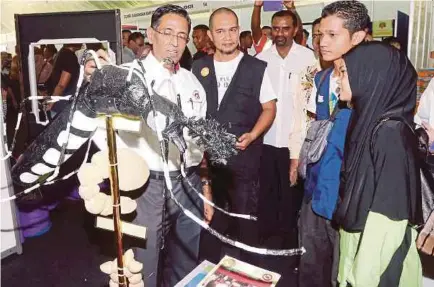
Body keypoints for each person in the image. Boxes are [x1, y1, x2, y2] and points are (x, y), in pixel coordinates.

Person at [85, 5, 212, 287]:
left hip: (186, 180)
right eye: (168, 33)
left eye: (182, 35)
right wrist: (121, 169)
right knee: (143, 261)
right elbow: (98, 129)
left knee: (187, 258)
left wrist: (204, 186)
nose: (175, 42)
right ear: (151, 35)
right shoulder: (125, 77)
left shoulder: (192, 83)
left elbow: (199, 143)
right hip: (146, 185)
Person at [192, 7, 277, 264]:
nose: (227, 37)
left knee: (245, 223)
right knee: (209, 223)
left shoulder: (256, 67)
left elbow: (269, 108)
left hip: (244, 162)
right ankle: (205, 272)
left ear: (239, 31)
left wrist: (253, 134)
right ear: (210, 35)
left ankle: (249, 275)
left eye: (232, 30)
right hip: (207, 165)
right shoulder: (198, 68)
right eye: (220, 31)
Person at [335, 41, 422, 287]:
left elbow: (388, 221)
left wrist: (359, 279)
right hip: (360, 249)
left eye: (344, 73)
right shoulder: (367, 122)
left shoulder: (390, 133)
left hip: (375, 267)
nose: (338, 80)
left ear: (370, 76)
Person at [300, 1, 369, 287]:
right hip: (316, 191)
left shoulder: (372, 83)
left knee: (343, 275)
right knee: (311, 267)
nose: (321, 42)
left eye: (331, 35)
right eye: (319, 35)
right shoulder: (323, 77)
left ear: (357, 37)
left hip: (349, 199)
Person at [254, 8, 315, 252]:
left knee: (291, 194)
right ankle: (265, 236)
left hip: (295, 141)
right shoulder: (261, 60)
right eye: (276, 28)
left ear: (295, 29)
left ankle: (289, 240)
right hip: (267, 138)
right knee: (266, 190)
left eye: (285, 28)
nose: (280, 33)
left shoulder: (308, 59)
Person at [47, 43, 81, 116]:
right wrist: (51, 103)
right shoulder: (69, 56)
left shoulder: (62, 53)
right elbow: (61, 85)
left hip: (59, 103)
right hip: (62, 105)